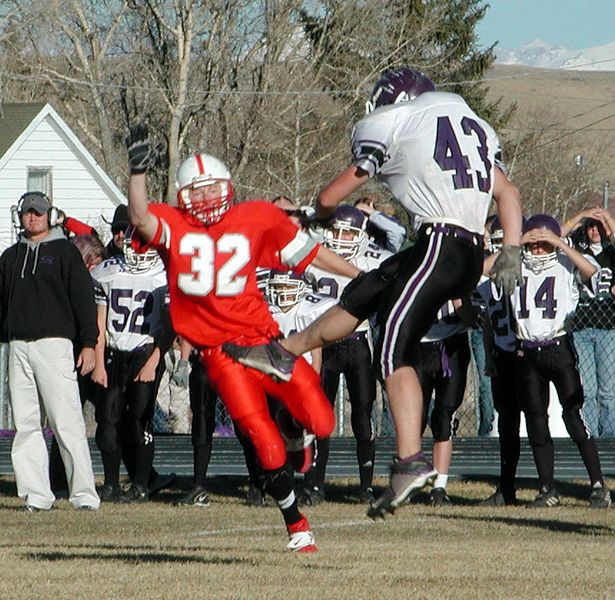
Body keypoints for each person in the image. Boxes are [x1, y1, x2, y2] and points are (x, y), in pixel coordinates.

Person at [223, 67, 523, 519]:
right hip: (457, 248)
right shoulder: (471, 124)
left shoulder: (394, 120)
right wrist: (512, 251)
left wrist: (317, 210)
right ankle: (285, 350)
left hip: (438, 244)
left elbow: (342, 188)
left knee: (391, 351)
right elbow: (509, 192)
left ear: (393, 100)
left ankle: (409, 461)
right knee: (367, 290)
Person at [125, 125, 360, 552]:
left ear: (229, 186)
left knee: (323, 421)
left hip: (265, 341)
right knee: (258, 432)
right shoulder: (173, 225)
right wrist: (138, 171)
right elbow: (140, 216)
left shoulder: (257, 216)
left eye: (213, 187)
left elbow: (309, 253)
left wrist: (361, 277)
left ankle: (296, 434)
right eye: (196, 192)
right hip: (220, 352)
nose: (206, 198)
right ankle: (296, 523)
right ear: (180, 197)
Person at [0, 191, 100, 511]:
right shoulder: (10, 257)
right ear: (20, 215)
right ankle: (36, 495)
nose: (33, 217)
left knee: (66, 420)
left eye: (39, 212)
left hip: (54, 345)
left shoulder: (65, 253)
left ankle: (84, 494)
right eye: (28, 212)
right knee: (26, 424)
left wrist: (89, 343)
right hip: (18, 346)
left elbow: (84, 301)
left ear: (49, 214)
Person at [511, 214, 611, 508]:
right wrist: (516, 242)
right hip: (527, 350)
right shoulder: (515, 262)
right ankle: (547, 488)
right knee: (536, 422)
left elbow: (592, 271)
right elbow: (485, 267)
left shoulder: (566, 262)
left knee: (574, 416)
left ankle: (597, 484)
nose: (539, 248)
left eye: (544, 243)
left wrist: (560, 243)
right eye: (535, 242)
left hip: (559, 347)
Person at [303, 205, 392, 505]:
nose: (341, 237)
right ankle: (316, 484)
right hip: (325, 346)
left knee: (362, 416)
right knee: (320, 416)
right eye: (337, 230)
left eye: (349, 232)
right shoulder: (316, 260)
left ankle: (366, 485)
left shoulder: (371, 260)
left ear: (361, 235)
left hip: (357, 343)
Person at [90, 228, 173, 502]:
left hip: (145, 349)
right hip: (115, 350)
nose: (137, 250)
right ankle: (111, 485)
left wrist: (154, 360)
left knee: (140, 421)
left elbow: (171, 326)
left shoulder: (164, 273)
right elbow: (99, 322)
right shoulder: (107, 270)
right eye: (133, 244)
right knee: (108, 421)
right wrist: (99, 362)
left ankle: (140, 485)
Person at [478, 218, 522, 506]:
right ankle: (507, 486)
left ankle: (549, 486)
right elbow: (486, 324)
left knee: (537, 421)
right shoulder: (484, 278)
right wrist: (490, 354)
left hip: (527, 354)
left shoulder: (528, 268)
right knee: (507, 423)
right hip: (502, 354)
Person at [563, 207, 615, 437]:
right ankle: (591, 435)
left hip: (607, 325)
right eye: (591, 226)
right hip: (581, 326)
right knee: (588, 389)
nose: (595, 230)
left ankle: (609, 436)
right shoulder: (578, 251)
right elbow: (558, 234)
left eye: (599, 226)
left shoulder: (611, 254)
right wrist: (580, 215)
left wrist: (608, 219)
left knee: (608, 390)